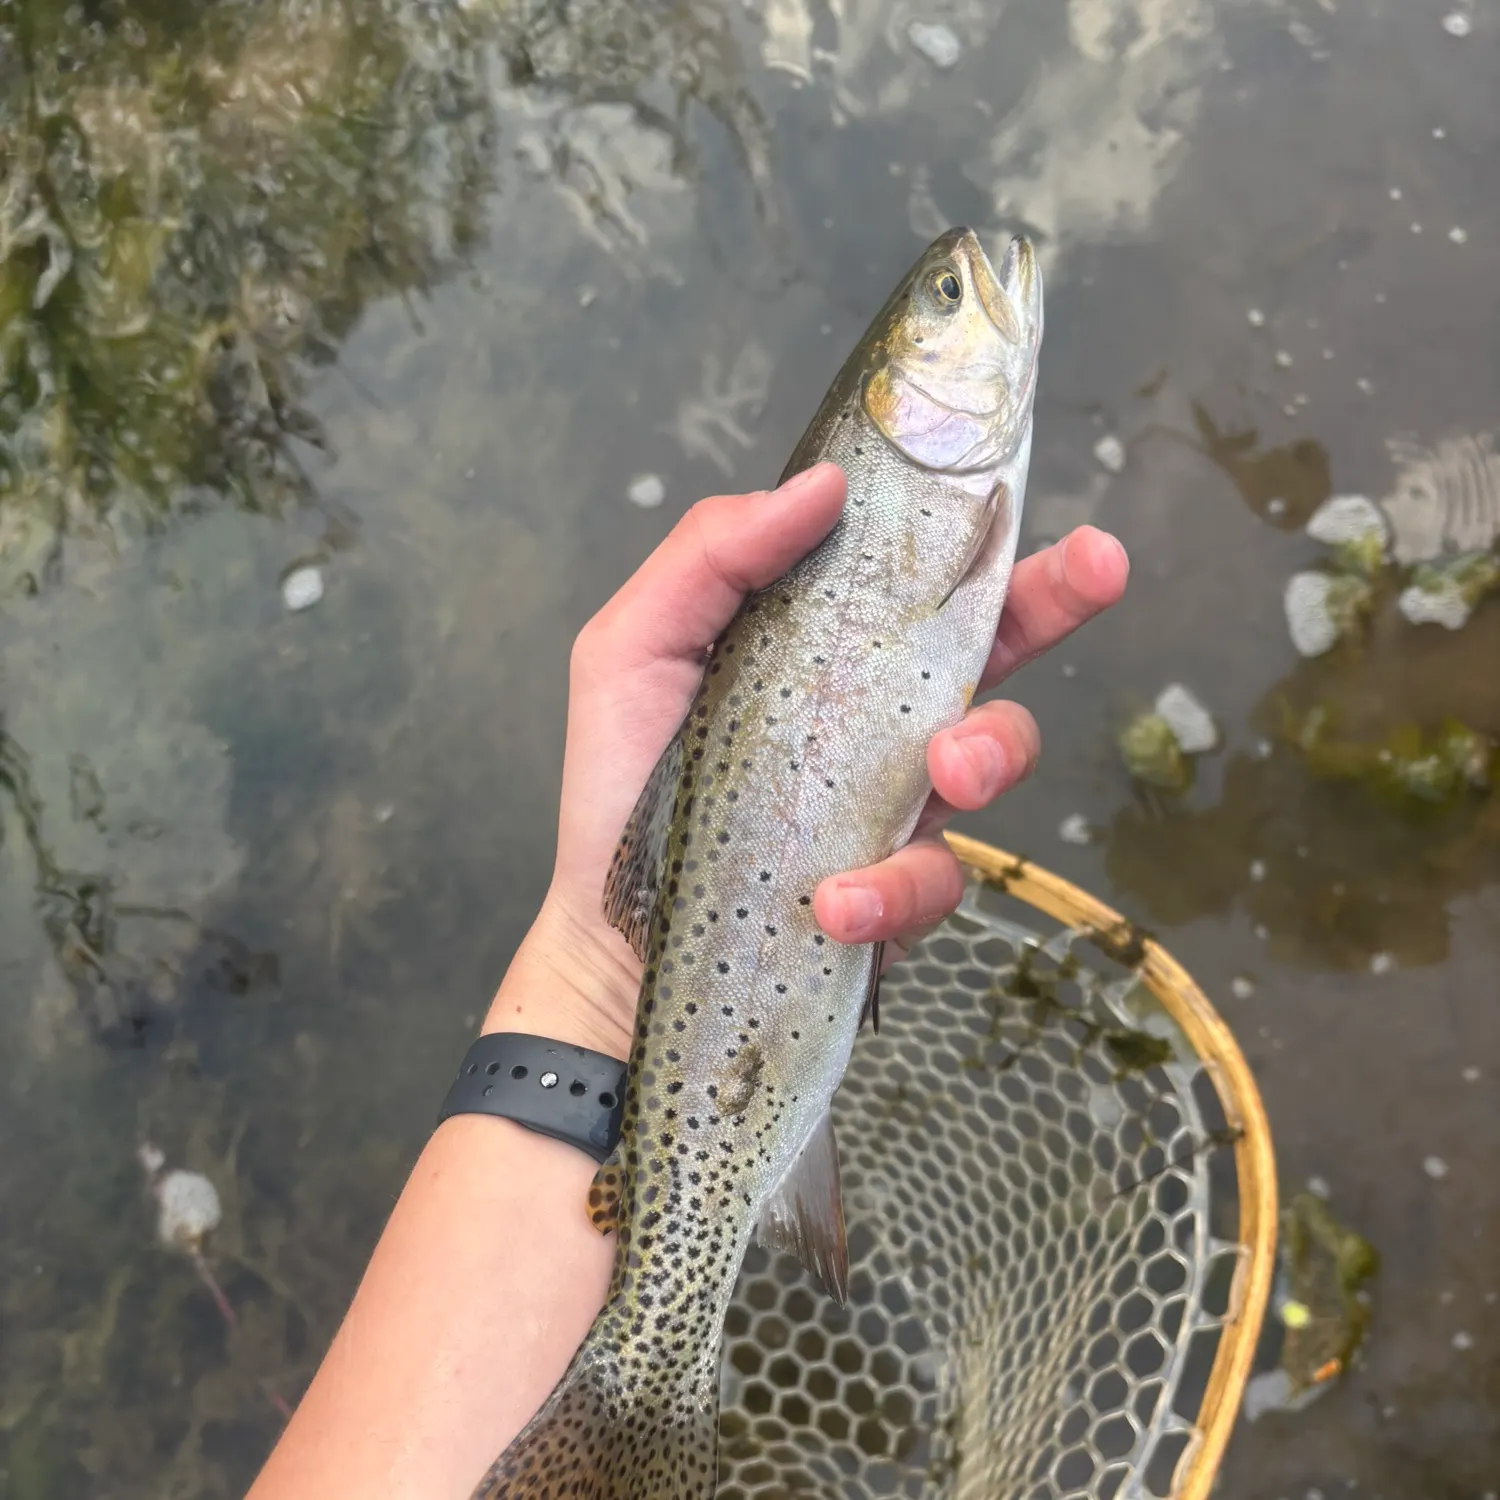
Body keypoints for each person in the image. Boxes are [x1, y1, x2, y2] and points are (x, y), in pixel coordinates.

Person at [245, 463, 1129, 1500]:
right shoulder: (905, 484)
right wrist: (600, 967)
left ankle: (648, 1372)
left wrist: (593, 981)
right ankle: (650, 1374)